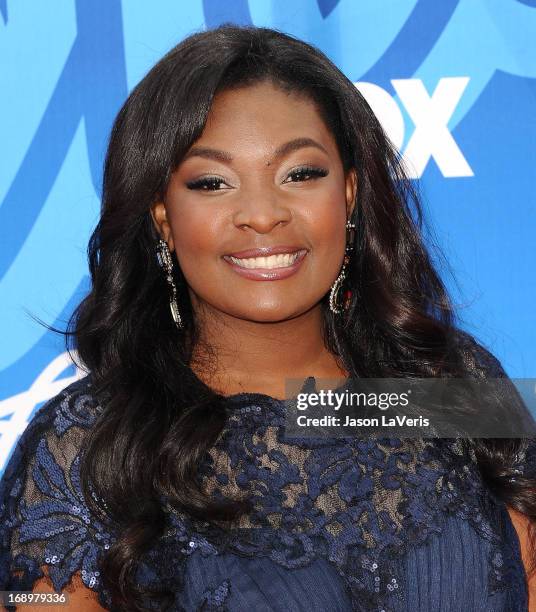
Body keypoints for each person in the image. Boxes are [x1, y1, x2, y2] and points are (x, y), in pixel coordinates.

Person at [1, 24, 535, 612]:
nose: (262, 215)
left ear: (350, 193)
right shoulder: (94, 445)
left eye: (300, 174)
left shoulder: (449, 381)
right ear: (162, 217)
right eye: (212, 182)